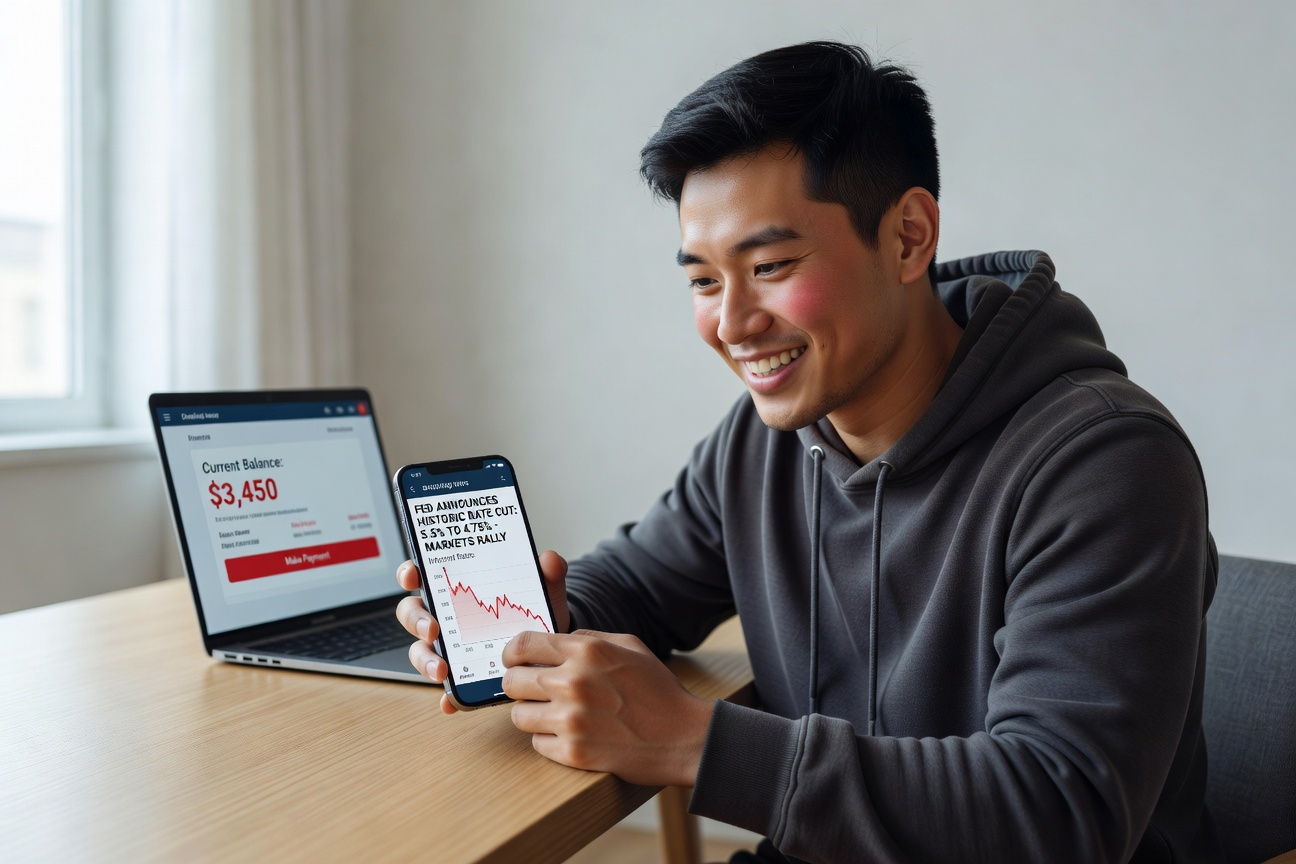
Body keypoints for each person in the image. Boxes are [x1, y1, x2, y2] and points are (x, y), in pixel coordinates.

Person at [396, 41, 1221, 863]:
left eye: (772, 265)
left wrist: (698, 743)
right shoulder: (766, 439)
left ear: (908, 237)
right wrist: (529, 626)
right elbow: (643, 584)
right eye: (704, 280)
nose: (732, 323)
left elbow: (1057, 812)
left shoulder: (1105, 463)